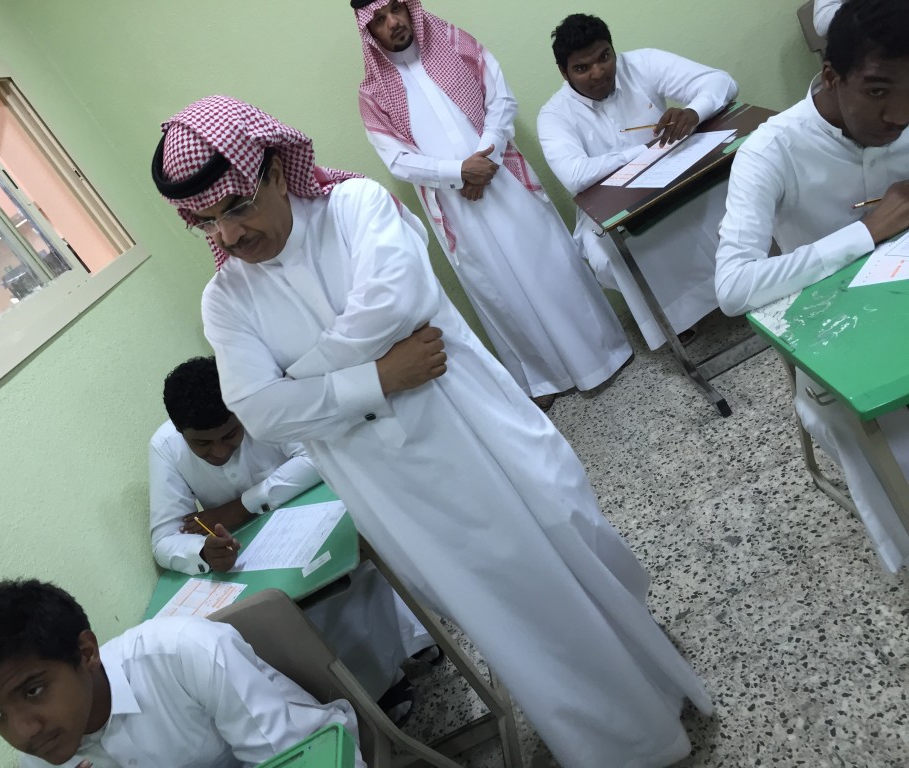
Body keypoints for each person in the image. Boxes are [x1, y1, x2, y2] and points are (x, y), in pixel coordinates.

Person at [150, 94, 711, 768]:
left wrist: (296, 380)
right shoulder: (225, 300)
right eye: (207, 221)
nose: (230, 235)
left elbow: (396, 304)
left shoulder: (354, 207)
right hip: (394, 488)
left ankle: (652, 673)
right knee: (510, 618)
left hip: (473, 434)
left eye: (237, 206)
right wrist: (380, 377)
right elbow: (262, 414)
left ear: (273, 170)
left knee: (572, 539)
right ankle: (624, 747)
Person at [352, 0, 632, 409]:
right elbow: (397, 159)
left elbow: (501, 101)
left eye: (396, 8)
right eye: (380, 19)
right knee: (500, 292)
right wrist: (458, 172)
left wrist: (485, 159)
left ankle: (601, 356)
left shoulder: (454, 43)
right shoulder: (373, 93)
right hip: (455, 206)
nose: (393, 22)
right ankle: (543, 380)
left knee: (552, 267)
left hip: (505, 180)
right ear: (368, 30)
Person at [715, 0, 909, 571]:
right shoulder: (770, 150)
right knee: (884, 437)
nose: (898, 115)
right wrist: (865, 232)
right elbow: (733, 287)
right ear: (831, 76)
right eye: (877, 91)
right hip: (835, 337)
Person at [150, 355, 436, 707]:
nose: (220, 451)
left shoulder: (261, 402)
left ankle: (413, 639)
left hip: (315, 515)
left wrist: (241, 506)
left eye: (230, 434)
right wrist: (202, 552)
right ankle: (380, 684)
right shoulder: (165, 447)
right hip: (258, 555)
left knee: (354, 575)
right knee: (301, 614)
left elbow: (314, 457)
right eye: (203, 445)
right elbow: (164, 538)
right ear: (181, 433)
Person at [0, 579, 365, 768]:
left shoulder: (184, 653)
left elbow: (293, 760)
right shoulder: (39, 755)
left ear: (86, 652)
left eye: (34, 690)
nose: (23, 732)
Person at [537, 13, 738, 351]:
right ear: (564, 72)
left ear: (613, 50)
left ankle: (747, 277)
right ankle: (676, 317)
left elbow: (722, 82)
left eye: (604, 57)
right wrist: (646, 151)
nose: (598, 72)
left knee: (728, 189)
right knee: (605, 254)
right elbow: (576, 175)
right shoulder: (554, 114)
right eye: (582, 68)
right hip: (608, 202)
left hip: (674, 175)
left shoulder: (642, 63)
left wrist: (693, 112)